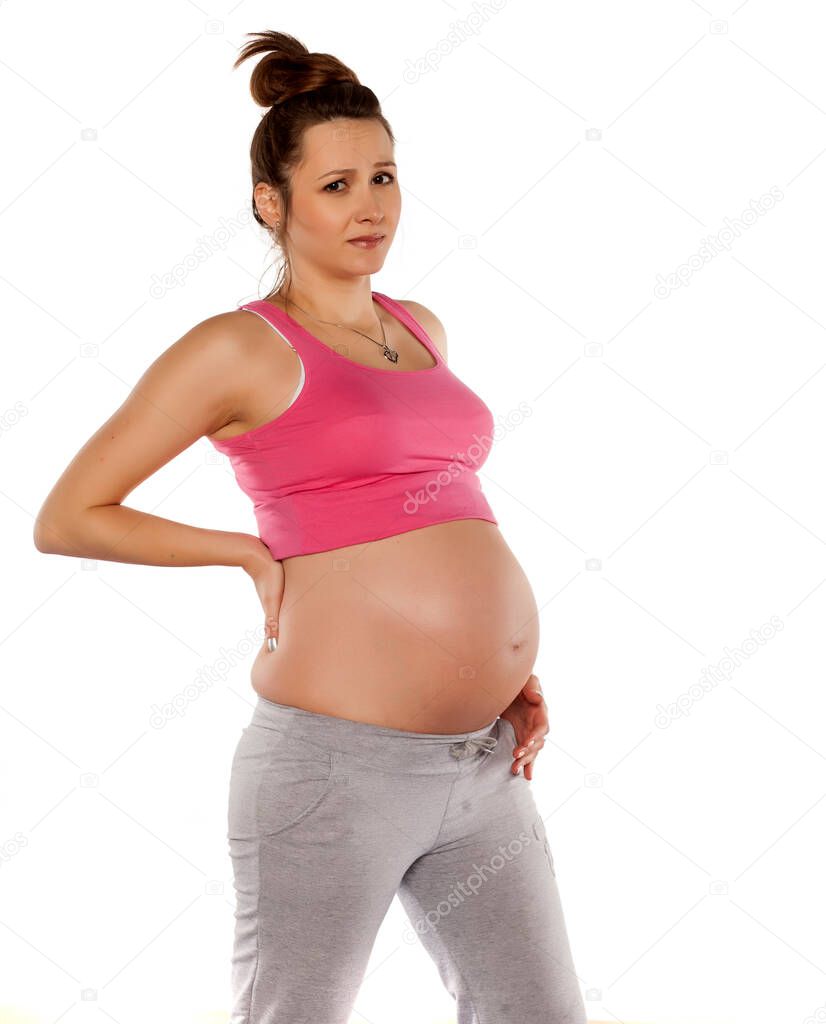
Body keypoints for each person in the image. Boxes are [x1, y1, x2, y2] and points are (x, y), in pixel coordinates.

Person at [33, 29, 586, 1024]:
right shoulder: (237, 347)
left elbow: (446, 507)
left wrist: (508, 671)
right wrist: (243, 551)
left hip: (484, 761)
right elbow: (69, 514)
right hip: (335, 771)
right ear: (270, 204)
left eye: (382, 175)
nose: (370, 204)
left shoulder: (421, 328)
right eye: (335, 185)